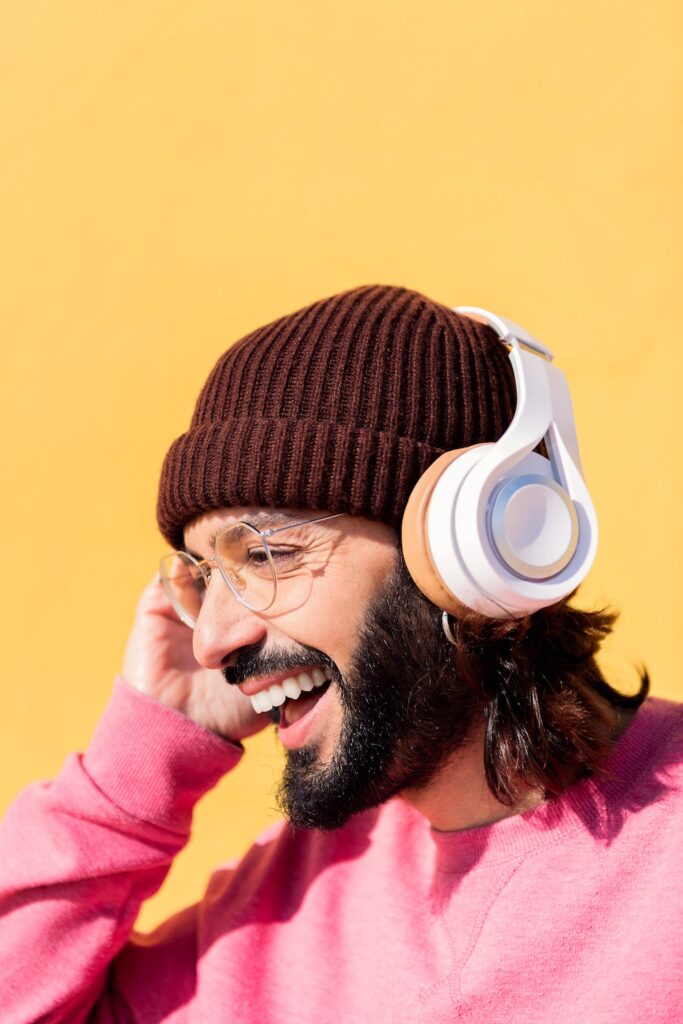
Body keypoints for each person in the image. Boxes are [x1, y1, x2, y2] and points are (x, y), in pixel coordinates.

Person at [0, 284, 680, 1024]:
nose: (211, 640)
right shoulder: (282, 907)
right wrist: (134, 775)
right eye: (202, 577)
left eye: (263, 554)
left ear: (471, 547)